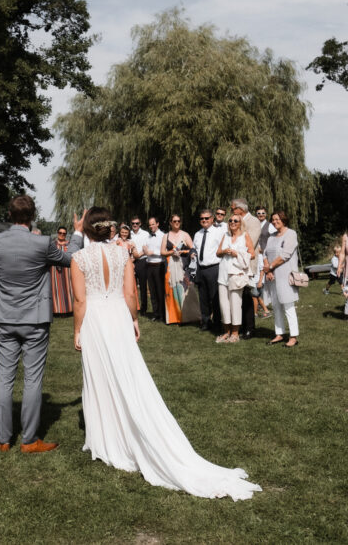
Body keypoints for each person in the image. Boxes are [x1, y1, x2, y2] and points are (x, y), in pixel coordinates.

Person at [70, 206, 261, 500]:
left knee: (100, 377)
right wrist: (133, 320)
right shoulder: (122, 253)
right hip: (118, 317)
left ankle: (108, 440)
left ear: (86, 229)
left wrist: (77, 330)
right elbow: (132, 294)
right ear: (108, 227)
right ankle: (121, 433)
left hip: (95, 319)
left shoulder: (79, 258)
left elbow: (80, 301)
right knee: (128, 374)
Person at [0, 195, 84, 453]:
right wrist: (77, 233)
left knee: (4, 378)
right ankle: (29, 441)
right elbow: (71, 258)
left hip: (5, 318)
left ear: (9, 215)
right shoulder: (42, 243)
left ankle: (3, 440)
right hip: (35, 320)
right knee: (33, 379)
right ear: (32, 217)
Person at [263, 211, 301, 348]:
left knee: (288, 306)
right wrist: (268, 268)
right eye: (272, 219)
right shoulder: (271, 236)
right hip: (272, 276)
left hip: (286, 275)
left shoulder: (291, 234)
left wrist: (270, 267)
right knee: (276, 305)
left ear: (283, 220)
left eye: (277, 219)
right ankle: (279, 333)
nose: (274, 221)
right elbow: (265, 253)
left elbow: (285, 255)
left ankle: (293, 336)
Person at [214, 214, 253, 343]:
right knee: (224, 304)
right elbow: (218, 252)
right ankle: (226, 332)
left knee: (235, 304)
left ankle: (235, 333)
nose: (232, 222)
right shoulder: (225, 235)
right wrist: (225, 251)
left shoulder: (245, 236)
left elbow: (252, 254)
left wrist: (237, 253)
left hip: (236, 274)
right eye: (230, 220)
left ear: (240, 223)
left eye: (236, 220)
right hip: (223, 273)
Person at [232, 198, 262, 339]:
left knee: (247, 296)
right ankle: (241, 326)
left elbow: (252, 242)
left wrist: (235, 249)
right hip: (235, 264)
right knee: (238, 296)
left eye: (233, 209)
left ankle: (250, 328)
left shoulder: (254, 222)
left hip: (247, 265)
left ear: (240, 209)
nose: (232, 212)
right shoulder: (235, 221)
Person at [192, 209, 224, 332]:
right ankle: (205, 322)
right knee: (203, 298)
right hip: (201, 268)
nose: (204, 220)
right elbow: (194, 248)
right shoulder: (197, 234)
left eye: (206, 218)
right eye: (202, 219)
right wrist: (192, 253)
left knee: (215, 297)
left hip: (214, 268)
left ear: (212, 219)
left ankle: (217, 323)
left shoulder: (219, 232)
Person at [162, 214, 193, 325]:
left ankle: (185, 316)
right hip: (170, 266)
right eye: (174, 221)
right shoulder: (166, 236)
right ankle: (173, 317)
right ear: (170, 222)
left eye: (178, 221)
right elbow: (162, 252)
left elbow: (192, 249)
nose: (176, 223)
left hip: (182, 265)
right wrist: (171, 252)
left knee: (183, 289)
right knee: (171, 290)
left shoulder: (185, 235)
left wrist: (183, 252)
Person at [142, 217, 166, 323]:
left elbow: (164, 250)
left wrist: (152, 252)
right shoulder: (148, 236)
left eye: (153, 224)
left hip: (159, 265)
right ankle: (155, 314)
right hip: (149, 265)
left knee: (160, 290)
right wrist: (145, 249)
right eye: (150, 225)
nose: (151, 226)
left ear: (158, 224)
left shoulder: (163, 236)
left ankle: (162, 314)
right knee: (152, 291)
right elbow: (145, 247)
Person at [50, 226, 75, 316]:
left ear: (66, 234)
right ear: (57, 233)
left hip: (67, 270)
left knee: (68, 289)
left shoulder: (69, 245)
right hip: (54, 271)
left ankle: (68, 310)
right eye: (60, 233)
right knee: (56, 289)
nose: (62, 235)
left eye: (64, 233)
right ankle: (56, 310)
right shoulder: (53, 244)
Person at [128, 216, 150, 315]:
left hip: (142, 261)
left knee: (142, 286)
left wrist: (136, 256)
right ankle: (132, 307)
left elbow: (147, 248)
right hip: (130, 262)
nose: (135, 225)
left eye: (137, 223)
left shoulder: (145, 234)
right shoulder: (129, 234)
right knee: (131, 286)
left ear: (140, 224)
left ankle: (144, 308)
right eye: (133, 223)